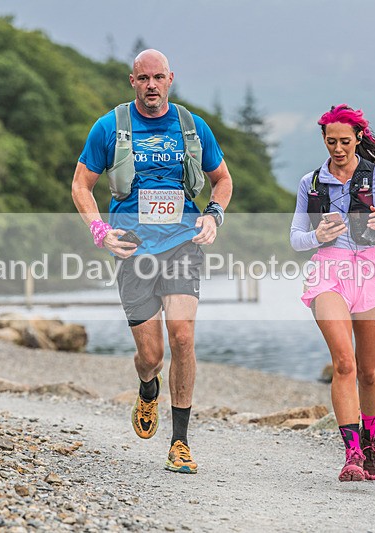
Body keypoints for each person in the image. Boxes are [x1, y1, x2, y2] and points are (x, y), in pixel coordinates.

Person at [71, 49, 233, 474]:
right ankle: (147, 387)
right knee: (152, 354)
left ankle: (180, 442)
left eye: (159, 77)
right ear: (132, 81)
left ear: (171, 79)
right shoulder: (110, 127)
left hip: (183, 242)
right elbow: (80, 185)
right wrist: (100, 231)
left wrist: (213, 217)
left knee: (182, 337)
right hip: (132, 248)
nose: (152, 86)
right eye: (144, 78)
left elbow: (222, 180)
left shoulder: (191, 127)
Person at [290, 104, 375, 482]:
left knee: (369, 372)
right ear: (323, 140)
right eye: (330, 142)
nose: (337, 149)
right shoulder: (311, 182)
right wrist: (317, 237)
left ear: (358, 138)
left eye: (344, 141)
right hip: (329, 273)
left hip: (372, 273)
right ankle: (352, 453)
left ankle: (371, 441)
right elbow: (295, 239)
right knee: (344, 363)